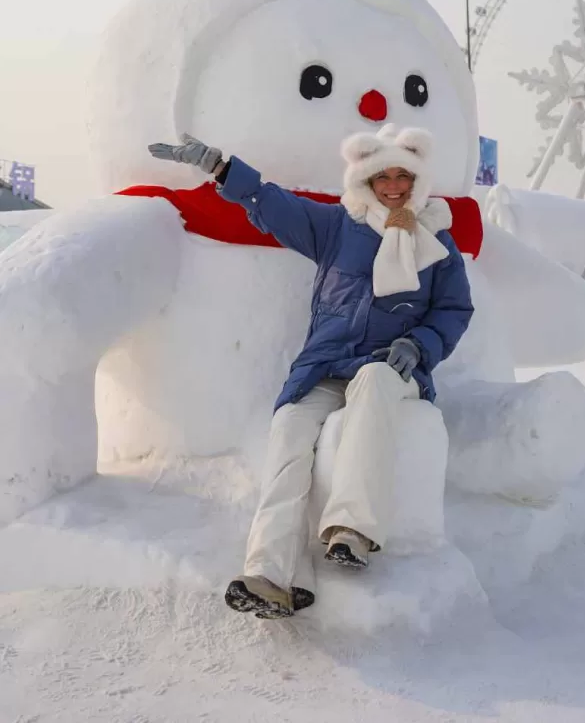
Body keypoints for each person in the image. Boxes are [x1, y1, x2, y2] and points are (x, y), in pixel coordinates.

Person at [148, 125, 473, 619]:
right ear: (364, 179)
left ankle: (352, 530)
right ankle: (273, 574)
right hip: (324, 365)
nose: (392, 186)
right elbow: (273, 204)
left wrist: (420, 344)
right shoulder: (339, 226)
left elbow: (454, 309)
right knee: (289, 429)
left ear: (416, 179)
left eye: (402, 175)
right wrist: (220, 166)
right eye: (381, 176)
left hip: (392, 367)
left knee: (374, 381)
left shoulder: (437, 239)